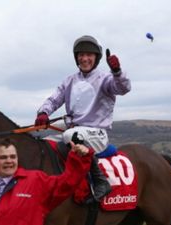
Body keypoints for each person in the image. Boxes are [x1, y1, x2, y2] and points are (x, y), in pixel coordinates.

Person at [34, 35, 131, 202]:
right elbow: (54, 99)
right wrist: (44, 113)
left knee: (70, 136)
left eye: (89, 55)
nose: (84, 59)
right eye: (81, 55)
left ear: (96, 58)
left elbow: (123, 88)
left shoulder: (105, 79)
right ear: (76, 57)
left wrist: (117, 72)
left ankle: (101, 181)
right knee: (45, 141)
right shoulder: (69, 80)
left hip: (96, 134)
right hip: (75, 132)